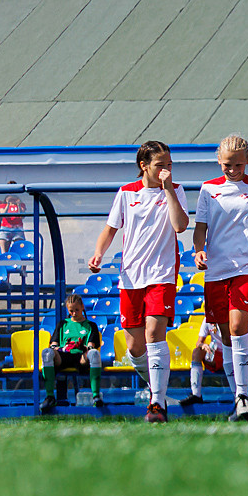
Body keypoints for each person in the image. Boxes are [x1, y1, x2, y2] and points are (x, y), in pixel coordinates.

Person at [89, 140, 190, 423]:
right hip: (131, 277)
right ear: (144, 166)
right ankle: (156, 388)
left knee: (154, 335)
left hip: (162, 274)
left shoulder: (176, 190)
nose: (166, 171)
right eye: (160, 166)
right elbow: (110, 230)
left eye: (169, 165)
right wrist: (98, 254)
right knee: (134, 347)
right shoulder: (125, 193)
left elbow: (180, 226)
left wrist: (168, 189)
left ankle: (157, 403)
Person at [192, 136, 248, 423]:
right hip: (216, 271)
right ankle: (239, 399)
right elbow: (200, 228)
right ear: (219, 162)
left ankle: (243, 394)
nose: (233, 170)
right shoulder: (208, 189)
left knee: (237, 324)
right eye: (228, 165)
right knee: (227, 336)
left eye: (239, 165)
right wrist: (199, 250)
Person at [38, 292, 105, 415]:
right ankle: (50, 397)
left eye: (77, 310)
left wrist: (82, 346)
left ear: (82, 307)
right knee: (47, 353)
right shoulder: (63, 324)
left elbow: (91, 346)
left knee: (94, 354)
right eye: (71, 311)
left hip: (81, 357)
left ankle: (96, 397)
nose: (74, 313)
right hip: (63, 356)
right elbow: (54, 344)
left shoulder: (91, 326)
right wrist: (61, 347)